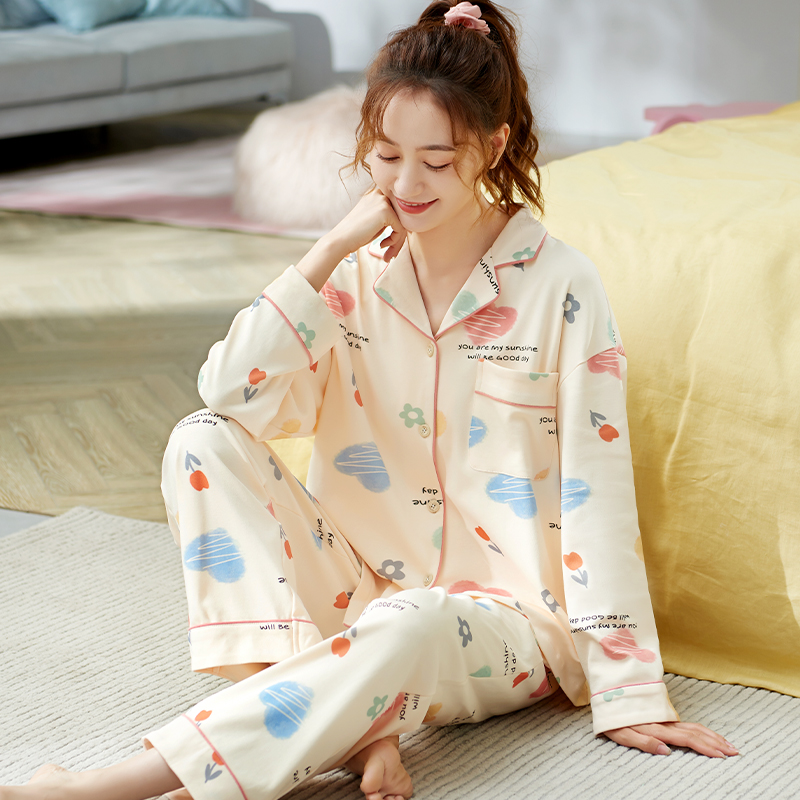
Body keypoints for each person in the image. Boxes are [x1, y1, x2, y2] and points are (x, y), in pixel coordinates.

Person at [2, 3, 738, 800]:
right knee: (200, 438)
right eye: (387, 156)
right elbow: (231, 394)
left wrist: (627, 688)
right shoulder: (353, 274)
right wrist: (325, 252)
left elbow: (599, 485)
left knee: (411, 621)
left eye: (436, 161)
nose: (406, 185)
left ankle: (107, 788)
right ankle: (358, 732)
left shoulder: (562, 286)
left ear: (493, 147)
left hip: (503, 622)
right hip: (361, 588)